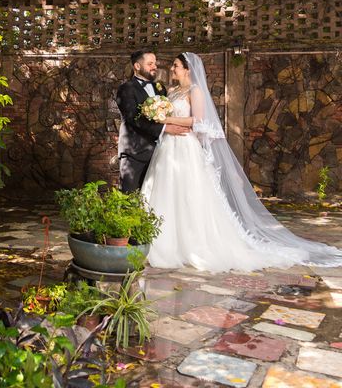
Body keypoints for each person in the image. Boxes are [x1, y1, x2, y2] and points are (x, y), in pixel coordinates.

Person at [142, 52, 342, 272]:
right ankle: (161, 242)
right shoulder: (171, 92)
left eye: (176, 66)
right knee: (165, 190)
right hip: (167, 148)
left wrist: (165, 118)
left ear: (187, 69)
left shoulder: (195, 91)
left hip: (185, 147)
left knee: (188, 194)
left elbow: (198, 121)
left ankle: (190, 243)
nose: (172, 69)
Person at [116, 50, 190, 193]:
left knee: (154, 199)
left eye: (155, 63)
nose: (154, 66)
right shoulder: (126, 89)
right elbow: (133, 119)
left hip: (161, 154)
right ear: (137, 66)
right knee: (129, 199)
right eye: (150, 64)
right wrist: (164, 129)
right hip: (134, 154)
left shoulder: (160, 89)